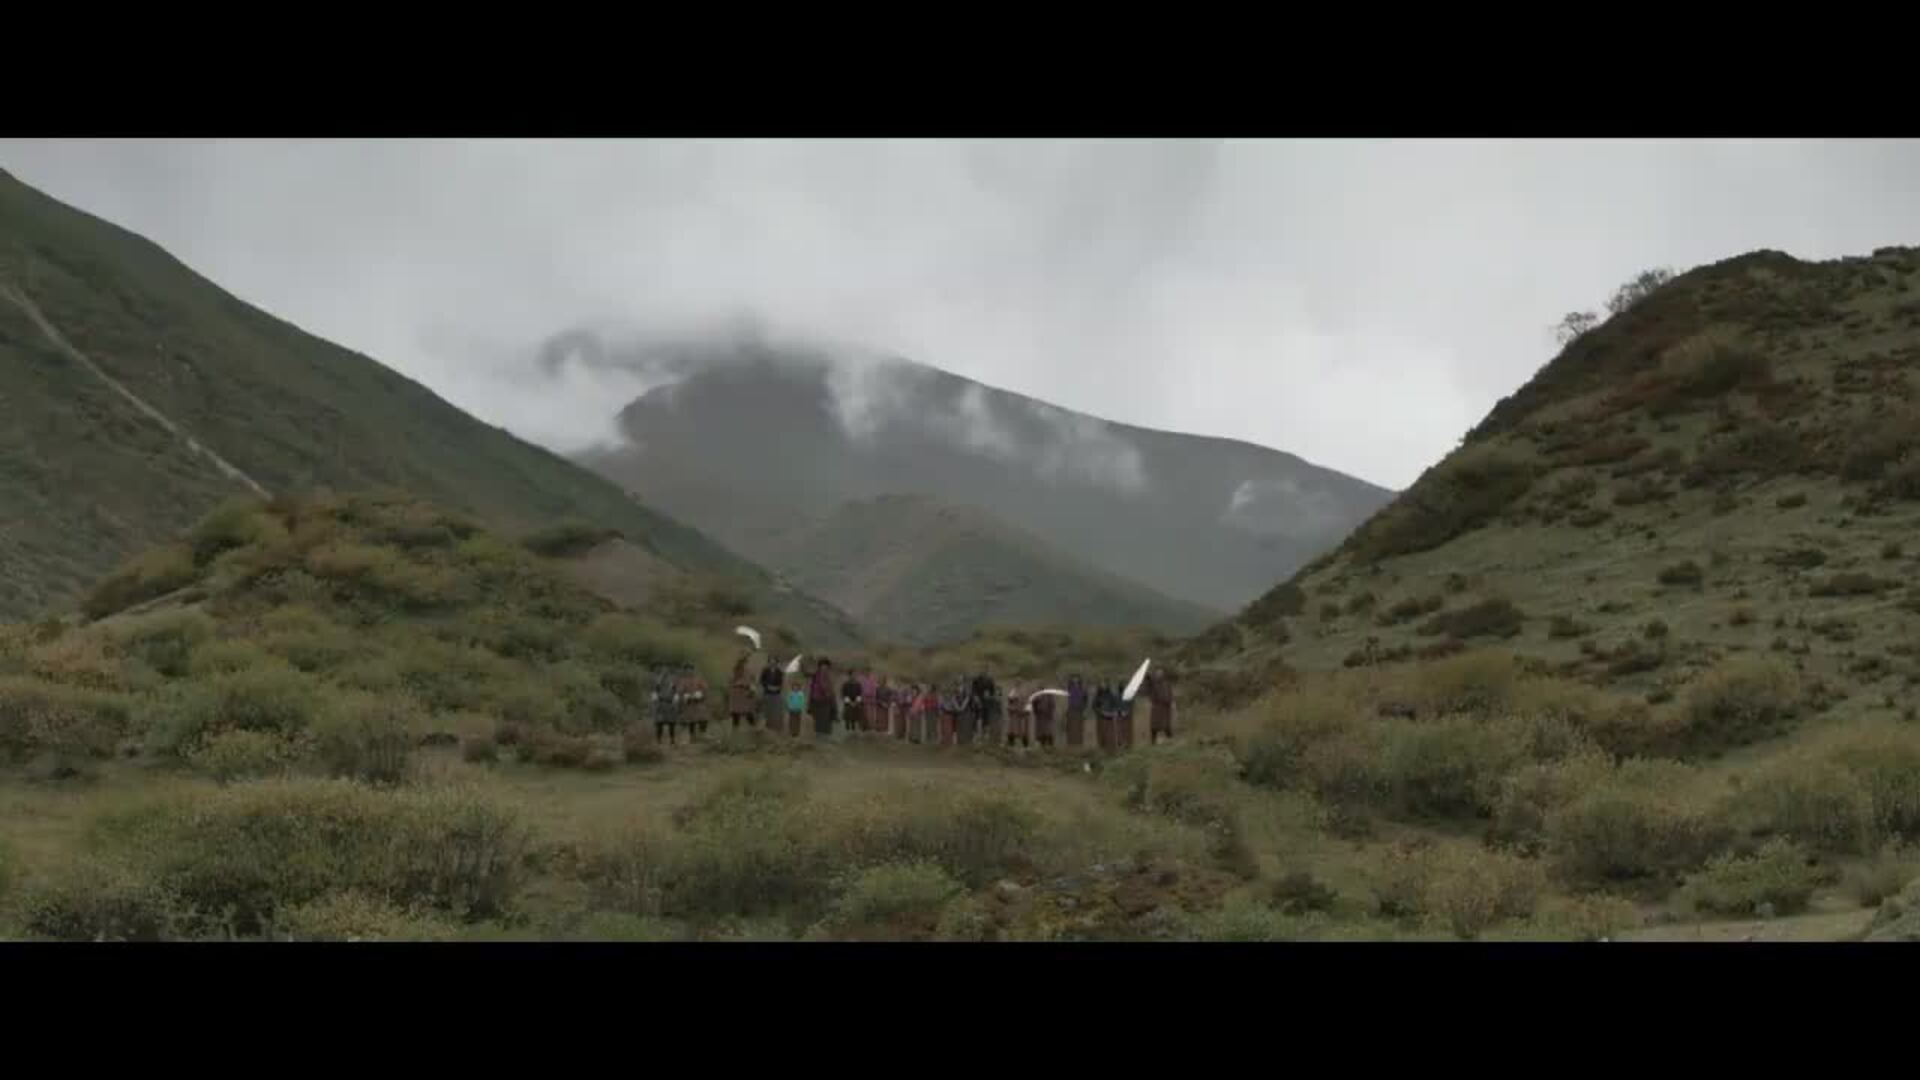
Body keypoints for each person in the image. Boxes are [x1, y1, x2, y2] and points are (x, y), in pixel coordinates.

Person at [678, 664, 710, 741]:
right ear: (685, 671)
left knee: (703, 717)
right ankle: (692, 736)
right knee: (691, 720)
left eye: (690, 670)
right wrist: (685, 696)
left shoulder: (699, 679)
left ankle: (703, 733)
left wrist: (700, 694)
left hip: (699, 701)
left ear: (693, 670)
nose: (689, 671)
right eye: (687, 670)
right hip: (689, 702)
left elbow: (705, 688)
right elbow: (680, 691)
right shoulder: (683, 680)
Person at [809, 659, 838, 740]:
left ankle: (825, 738)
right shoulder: (816, 676)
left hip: (826, 700)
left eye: (826, 666)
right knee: (819, 719)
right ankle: (819, 738)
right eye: (822, 666)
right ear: (820, 667)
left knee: (826, 719)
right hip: (818, 700)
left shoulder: (828, 676)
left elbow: (831, 689)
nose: (824, 668)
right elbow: (815, 688)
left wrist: (830, 694)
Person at [1147, 669, 1177, 745]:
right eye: (1157, 674)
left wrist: (1171, 702)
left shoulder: (1167, 684)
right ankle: (1153, 741)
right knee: (1154, 726)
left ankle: (1170, 739)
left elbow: (1170, 694)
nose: (1159, 676)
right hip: (1157, 707)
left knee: (1166, 725)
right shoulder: (1154, 685)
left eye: (1160, 674)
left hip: (1165, 708)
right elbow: (1151, 693)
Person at [729, 652, 757, 730]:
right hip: (736, 693)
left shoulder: (749, 670)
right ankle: (735, 731)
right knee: (735, 713)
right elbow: (731, 680)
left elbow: (753, 681)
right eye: (743, 662)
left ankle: (754, 729)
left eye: (745, 662)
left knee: (748, 712)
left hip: (745, 693)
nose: (744, 663)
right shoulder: (735, 670)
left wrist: (752, 688)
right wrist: (737, 683)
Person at [971, 671, 999, 746]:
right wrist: (976, 698)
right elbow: (973, 692)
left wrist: (990, 696)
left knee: (986, 720)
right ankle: (976, 736)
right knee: (977, 719)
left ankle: (985, 736)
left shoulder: (990, 681)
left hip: (986, 703)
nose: (983, 673)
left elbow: (993, 693)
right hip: (978, 703)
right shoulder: (976, 680)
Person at [653, 666, 679, 745]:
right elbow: (655, 694)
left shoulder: (672, 683)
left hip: (670, 705)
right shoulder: (658, 683)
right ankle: (658, 740)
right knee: (659, 724)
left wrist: (675, 703)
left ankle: (672, 740)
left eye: (667, 673)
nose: (665, 675)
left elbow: (675, 693)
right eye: (664, 673)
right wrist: (656, 703)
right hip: (661, 704)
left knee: (672, 724)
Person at [759, 655, 786, 729]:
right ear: (769, 662)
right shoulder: (765, 670)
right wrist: (767, 686)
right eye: (771, 661)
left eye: (774, 662)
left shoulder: (779, 672)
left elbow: (781, 683)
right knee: (765, 709)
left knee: (774, 710)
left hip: (776, 693)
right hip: (767, 692)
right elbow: (761, 680)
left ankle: (772, 725)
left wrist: (777, 688)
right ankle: (763, 724)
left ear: (776, 663)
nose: (772, 663)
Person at [1093, 681, 1119, 752]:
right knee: (1102, 733)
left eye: (1105, 684)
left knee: (1110, 734)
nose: (1103, 686)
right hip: (1101, 717)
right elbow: (1094, 706)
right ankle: (1102, 749)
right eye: (1102, 685)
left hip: (1110, 717)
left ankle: (1111, 749)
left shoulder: (1111, 695)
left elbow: (1115, 705)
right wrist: (1100, 712)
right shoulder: (1098, 696)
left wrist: (1114, 712)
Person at [1064, 675, 1088, 749]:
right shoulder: (1068, 689)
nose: (1075, 681)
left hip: (1079, 711)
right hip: (1071, 711)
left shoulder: (1083, 690)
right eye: (1074, 680)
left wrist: (1084, 709)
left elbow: (1086, 701)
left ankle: (1079, 745)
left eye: (1077, 680)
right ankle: (1071, 746)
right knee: (1071, 730)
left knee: (1078, 730)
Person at [1005, 682, 1031, 748]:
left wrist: (1026, 711)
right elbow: (1009, 703)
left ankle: (1025, 745)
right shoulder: (1012, 692)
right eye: (1017, 684)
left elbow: (1028, 703)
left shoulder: (1025, 693)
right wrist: (1011, 709)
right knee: (1012, 730)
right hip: (1015, 715)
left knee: (1023, 731)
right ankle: (1011, 744)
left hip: (1022, 715)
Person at [840, 668, 865, 736]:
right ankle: (847, 734)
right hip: (848, 704)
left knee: (855, 721)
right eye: (853, 674)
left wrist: (856, 702)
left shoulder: (858, 684)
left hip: (856, 704)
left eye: (855, 675)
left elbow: (860, 694)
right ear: (850, 675)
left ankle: (854, 735)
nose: (854, 676)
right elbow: (843, 694)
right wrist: (850, 702)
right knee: (847, 720)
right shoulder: (845, 684)